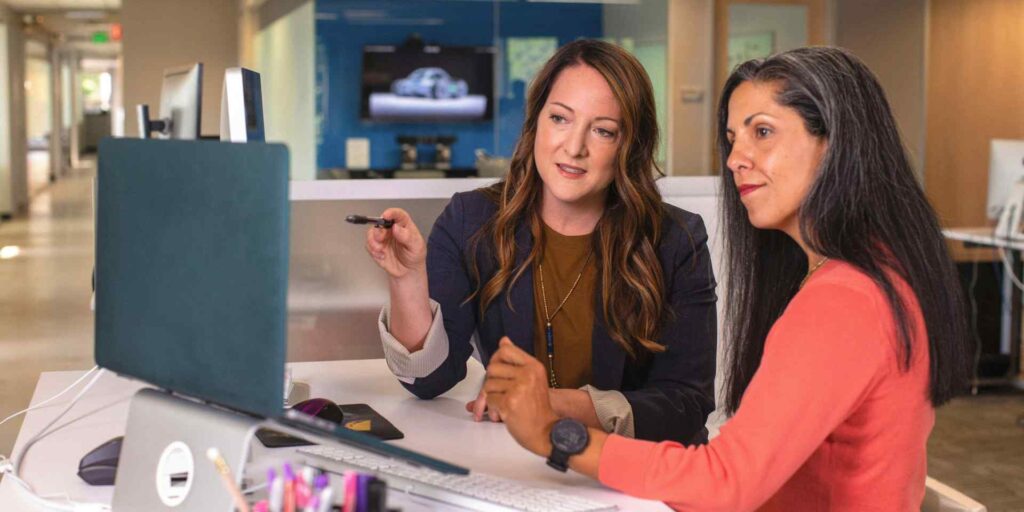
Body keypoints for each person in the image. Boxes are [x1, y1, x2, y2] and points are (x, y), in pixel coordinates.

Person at [483, 46, 974, 511]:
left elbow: (727, 483)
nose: (736, 158)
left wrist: (555, 436)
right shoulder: (881, 272)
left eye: (762, 132)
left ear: (835, 145)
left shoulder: (845, 301)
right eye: (733, 138)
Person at [364, 39, 718, 443]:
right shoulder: (472, 220)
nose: (574, 147)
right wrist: (407, 278)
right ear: (536, 122)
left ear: (629, 146)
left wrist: (551, 403)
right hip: (520, 464)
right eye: (560, 119)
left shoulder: (675, 239)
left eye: (603, 130)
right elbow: (428, 381)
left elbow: (686, 405)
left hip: (633, 474)